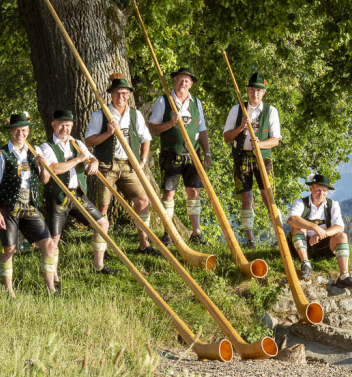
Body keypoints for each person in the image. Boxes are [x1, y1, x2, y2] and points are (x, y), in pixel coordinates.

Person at [38, 109, 119, 280]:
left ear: (72, 126)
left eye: (68, 125)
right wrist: (77, 160)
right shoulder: (46, 147)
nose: (64, 129)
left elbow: (90, 158)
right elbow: (53, 168)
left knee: (102, 223)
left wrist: (94, 163)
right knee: (54, 240)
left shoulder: (77, 143)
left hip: (78, 195)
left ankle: (99, 265)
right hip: (58, 197)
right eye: (61, 125)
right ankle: (54, 277)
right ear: (53, 125)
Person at [0, 110, 59, 297]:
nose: (21, 135)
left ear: (28, 131)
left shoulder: (35, 151)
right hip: (9, 207)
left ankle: (51, 289)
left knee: (49, 244)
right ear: (11, 132)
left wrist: (42, 165)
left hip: (29, 205)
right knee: (9, 249)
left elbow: (44, 180)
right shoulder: (0, 154)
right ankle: (9, 291)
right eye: (17, 131)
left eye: (24, 131)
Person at [84, 75, 155, 253]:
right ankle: (101, 248)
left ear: (129, 95)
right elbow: (89, 141)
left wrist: (143, 160)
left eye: (124, 93)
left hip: (129, 166)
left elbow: (146, 138)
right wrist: (108, 133)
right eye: (117, 94)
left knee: (142, 200)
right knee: (103, 207)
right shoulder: (100, 114)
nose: (121, 97)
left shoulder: (135, 115)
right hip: (107, 165)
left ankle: (144, 244)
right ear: (111, 95)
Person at [147, 66, 212, 244]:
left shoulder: (196, 102)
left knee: (193, 191)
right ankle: (168, 232)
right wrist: (170, 123)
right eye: (181, 79)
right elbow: (152, 128)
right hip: (171, 153)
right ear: (174, 81)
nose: (184, 82)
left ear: (191, 84)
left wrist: (207, 153)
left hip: (193, 154)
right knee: (169, 193)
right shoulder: (163, 101)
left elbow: (202, 129)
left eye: (187, 80)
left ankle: (196, 233)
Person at [222, 72, 281, 249]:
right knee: (246, 197)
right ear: (247, 91)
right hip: (241, 156)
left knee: (268, 196)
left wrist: (260, 144)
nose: (255, 94)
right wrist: (241, 127)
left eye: (259, 91)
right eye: (252, 90)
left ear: (264, 93)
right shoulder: (237, 109)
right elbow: (226, 137)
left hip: (263, 157)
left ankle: (279, 236)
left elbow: (275, 140)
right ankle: (250, 239)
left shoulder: (271, 111)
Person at [286, 173, 352, 289]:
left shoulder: (333, 204)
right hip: (303, 245)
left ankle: (344, 276)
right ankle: (305, 264)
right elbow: (292, 219)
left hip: (324, 244)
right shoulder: (300, 203)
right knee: (297, 227)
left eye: (324, 191)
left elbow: (339, 226)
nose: (321, 194)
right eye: (318, 190)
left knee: (342, 236)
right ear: (311, 189)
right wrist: (314, 228)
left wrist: (322, 234)